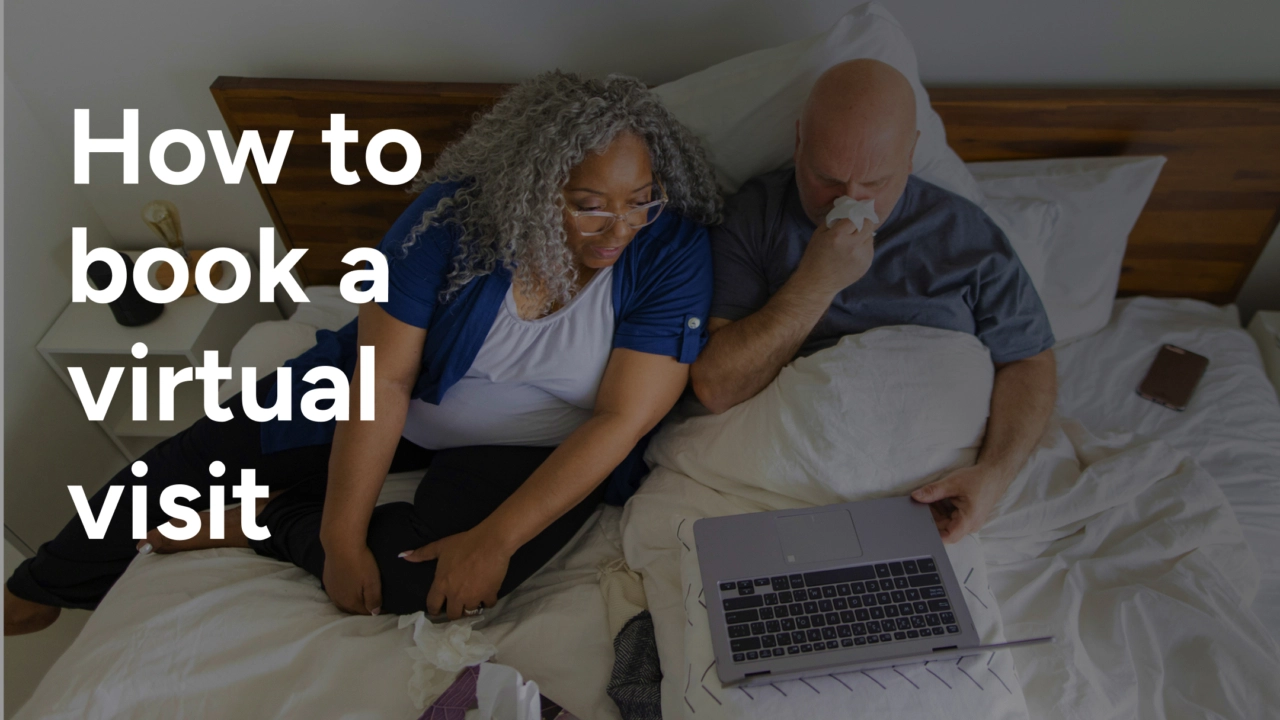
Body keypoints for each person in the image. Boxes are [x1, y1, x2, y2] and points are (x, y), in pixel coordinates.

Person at [6, 71, 722, 635]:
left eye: (642, 199)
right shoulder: (448, 222)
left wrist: (495, 541)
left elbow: (621, 420)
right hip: (395, 401)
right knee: (189, 462)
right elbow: (381, 382)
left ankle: (264, 521)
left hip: (529, 449)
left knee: (426, 583)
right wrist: (341, 537)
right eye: (589, 204)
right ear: (531, 190)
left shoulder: (670, 251)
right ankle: (36, 590)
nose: (620, 228)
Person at [690, 58, 1056, 543]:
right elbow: (716, 387)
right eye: (827, 178)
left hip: (936, 498)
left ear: (910, 155)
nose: (849, 202)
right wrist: (816, 283)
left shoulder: (965, 234)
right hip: (786, 484)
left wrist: (994, 475)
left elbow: (1029, 359)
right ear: (799, 143)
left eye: (875, 184)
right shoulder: (755, 217)